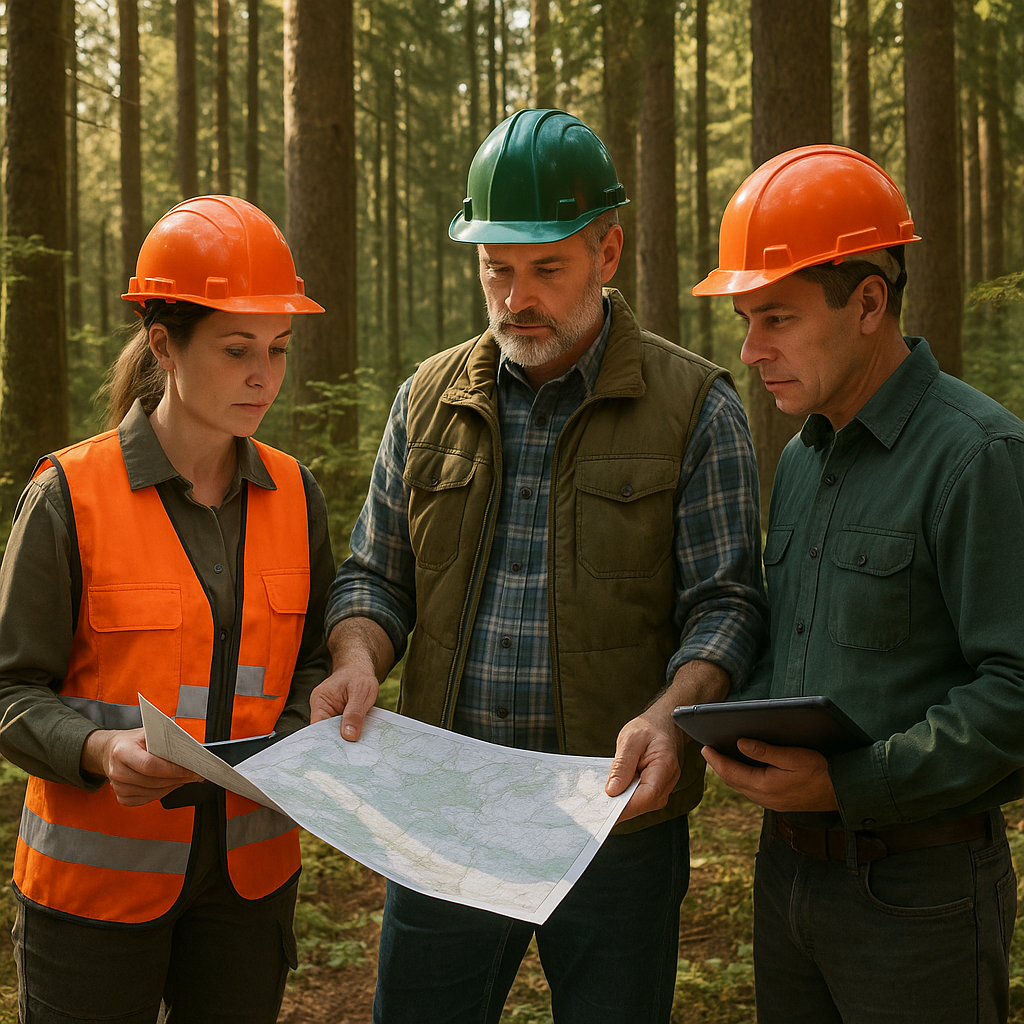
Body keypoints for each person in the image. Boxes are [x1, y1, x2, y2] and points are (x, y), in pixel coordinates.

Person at [310, 108, 767, 1024]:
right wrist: (356, 656)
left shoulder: (696, 409)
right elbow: (374, 576)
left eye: (546, 268)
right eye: (496, 268)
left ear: (608, 251)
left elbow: (728, 606)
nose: (517, 295)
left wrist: (670, 718)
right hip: (447, 809)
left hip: (613, 819)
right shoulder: (426, 399)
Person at [692, 144, 1024, 1024]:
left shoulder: (977, 457)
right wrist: (738, 727)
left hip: (919, 896)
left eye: (777, 319)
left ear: (869, 300)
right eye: (745, 320)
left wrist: (854, 782)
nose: (750, 350)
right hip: (790, 877)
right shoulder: (803, 459)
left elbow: (1019, 692)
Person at [0, 195, 335, 1024]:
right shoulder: (69, 496)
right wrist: (99, 747)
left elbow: (317, 663)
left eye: (278, 350)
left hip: (251, 892)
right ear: (164, 345)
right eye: (236, 351)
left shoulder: (295, 494)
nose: (265, 376)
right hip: (94, 897)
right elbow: (9, 693)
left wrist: (301, 732)